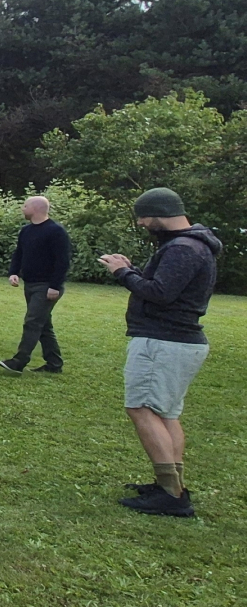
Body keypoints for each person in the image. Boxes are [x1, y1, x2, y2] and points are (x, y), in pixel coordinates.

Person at [101, 187, 221, 518]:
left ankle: (171, 496)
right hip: (177, 341)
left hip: (163, 341)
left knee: (141, 408)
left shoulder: (183, 248)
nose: (141, 223)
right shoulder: (191, 245)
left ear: (160, 214)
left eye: (143, 216)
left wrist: (122, 273)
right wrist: (134, 271)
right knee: (166, 414)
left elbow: (160, 294)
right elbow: (166, 288)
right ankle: (171, 484)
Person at [0, 195, 69, 373]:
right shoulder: (26, 231)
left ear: (35, 208)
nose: (22, 209)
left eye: (25, 206)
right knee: (43, 325)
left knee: (32, 322)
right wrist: (13, 272)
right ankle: (54, 364)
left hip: (46, 286)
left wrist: (55, 286)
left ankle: (19, 361)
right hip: (30, 284)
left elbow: (63, 261)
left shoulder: (55, 231)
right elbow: (19, 253)